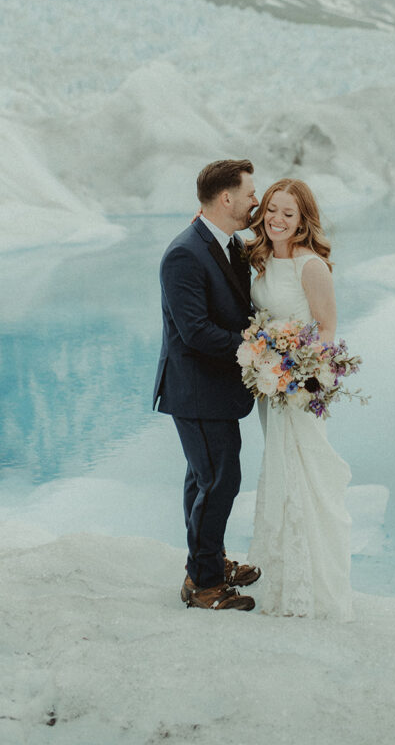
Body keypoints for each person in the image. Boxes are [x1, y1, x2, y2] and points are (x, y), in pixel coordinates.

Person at [153, 159, 262, 611]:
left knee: (205, 479)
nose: (256, 200)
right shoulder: (184, 253)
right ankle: (203, 584)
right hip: (196, 389)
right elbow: (195, 331)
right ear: (226, 198)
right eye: (250, 193)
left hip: (214, 388)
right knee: (219, 480)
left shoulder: (226, 242)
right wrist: (256, 347)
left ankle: (207, 560)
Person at [245, 178, 353, 619]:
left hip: (298, 389)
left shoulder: (312, 267)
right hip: (269, 387)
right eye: (272, 209)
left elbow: (326, 328)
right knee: (278, 473)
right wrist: (266, 362)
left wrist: (299, 371)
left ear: (303, 218)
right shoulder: (261, 258)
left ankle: (311, 588)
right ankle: (284, 581)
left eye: (288, 213)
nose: (277, 220)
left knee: (304, 474)